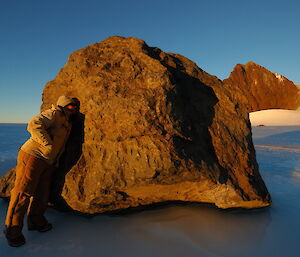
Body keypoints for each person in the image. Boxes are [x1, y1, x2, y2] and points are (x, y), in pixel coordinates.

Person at [3, 95, 80, 247]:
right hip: (33, 156)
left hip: (48, 161)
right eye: (71, 106)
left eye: (76, 107)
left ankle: (36, 221)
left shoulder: (67, 121)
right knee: (22, 192)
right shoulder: (54, 114)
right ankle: (12, 231)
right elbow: (34, 124)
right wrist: (48, 144)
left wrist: (54, 159)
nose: (74, 109)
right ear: (63, 105)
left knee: (42, 193)